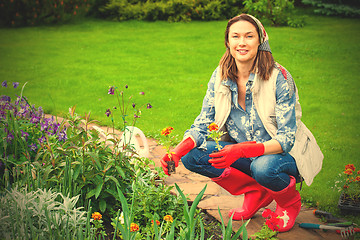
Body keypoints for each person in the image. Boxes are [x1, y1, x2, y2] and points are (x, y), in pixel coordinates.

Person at [160, 14, 323, 233]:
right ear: (228, 42)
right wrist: (178, 151)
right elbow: (204, 122)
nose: (242, 42)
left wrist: (242, 150)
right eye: (235, 36)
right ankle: (256, 192)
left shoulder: (279, 77)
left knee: (262, 167)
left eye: (249, 36)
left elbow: (286, 139)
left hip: (284, 156)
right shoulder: (220, 76)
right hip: (243, 154)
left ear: (260, 40)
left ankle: (289, 202)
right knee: (193, 155)